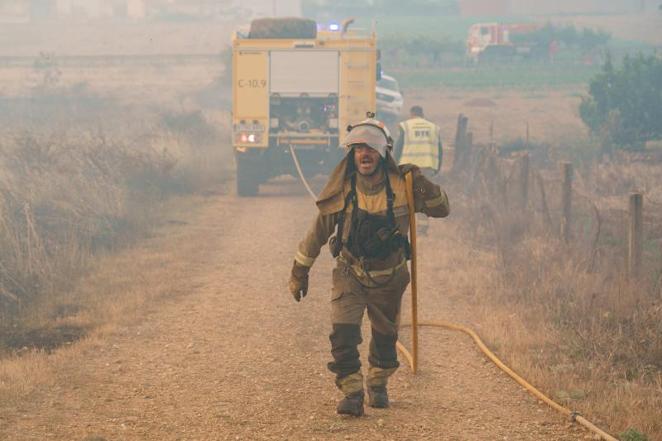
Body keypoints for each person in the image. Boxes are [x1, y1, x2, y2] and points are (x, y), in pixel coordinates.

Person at [288, 115, 449, 417]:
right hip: (350, 274)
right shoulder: (343, 190)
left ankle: (377, 384)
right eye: (359, 147)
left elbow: (443, 209)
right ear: (352, 153)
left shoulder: (405, 185)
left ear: (384, 152)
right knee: (343, 334)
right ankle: (351, 392)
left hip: (390, 277)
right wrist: (299, 272)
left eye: (372, 148)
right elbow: (317, 233)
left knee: (385, 339)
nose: (365, 153)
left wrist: (424, 185)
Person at [393, 105, 443, 235]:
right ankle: (422, 228)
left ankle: (404, 227)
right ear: (422, 114)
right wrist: (437, 167)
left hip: (408, 169)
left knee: (405, 197)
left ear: (412, 114)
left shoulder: (406, 126)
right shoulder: (433, 128)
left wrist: (394, 165)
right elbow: (440, 149)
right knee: (424, 196)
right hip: (427, 168)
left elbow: (398, 148)